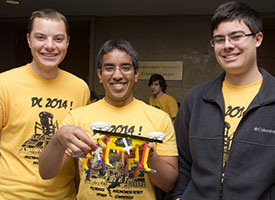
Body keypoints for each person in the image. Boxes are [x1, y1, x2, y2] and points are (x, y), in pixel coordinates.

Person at [39, 38, 178, 199]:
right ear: (100, 74)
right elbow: (46, 173)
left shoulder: (159, 118)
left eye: (125, 68)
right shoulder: (77, 117)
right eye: (109, 68)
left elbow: (168, 184)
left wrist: (148, 155)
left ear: (136, 74)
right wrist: (58, 138)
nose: (117, 75)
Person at [171, 1, 275, 200]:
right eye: (219, 39)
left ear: (258, 39)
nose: (227, 45)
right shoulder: (195, 99)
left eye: (236, 36)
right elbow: (181, 161)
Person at [0, 8, 90, 199]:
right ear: (28, 40)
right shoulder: (4, 84)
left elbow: (78, 157)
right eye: (40, 37)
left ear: (67, 42)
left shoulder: (80, 87)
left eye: (58, 39)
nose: (50, 46)